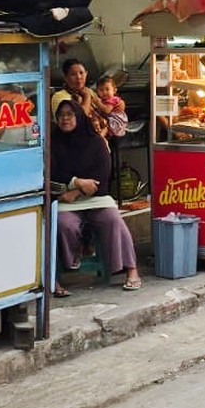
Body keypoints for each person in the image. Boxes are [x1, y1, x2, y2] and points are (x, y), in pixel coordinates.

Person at [50, 99, 141, 294]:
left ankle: (131, 270)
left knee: (113, 220)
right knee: (64, 223)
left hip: (95, 197)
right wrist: (77, 182)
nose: (65, 118)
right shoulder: (53, 143)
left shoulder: (96, 142)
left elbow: (102, 175)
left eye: (70, 114)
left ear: (79, 117)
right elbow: (52, 172)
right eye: (61, 115)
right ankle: (72, 258)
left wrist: (77, 190)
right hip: (67, 202)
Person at [50, 58, 110, 139]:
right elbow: (79, 119)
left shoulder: (89, 91)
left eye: (81, 73)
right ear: (66, 78)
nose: (79, 77)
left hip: (98, 144)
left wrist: (118, 105)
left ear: (86, 74)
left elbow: (103, 110)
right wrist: (87, 97)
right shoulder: (60, 97)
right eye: (73, 74)